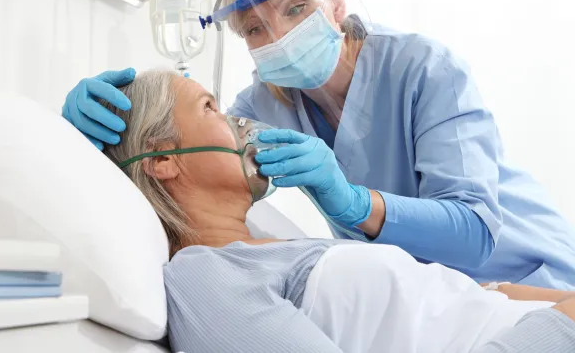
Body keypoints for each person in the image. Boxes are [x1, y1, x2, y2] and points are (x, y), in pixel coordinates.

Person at [62, 0, 575, 290]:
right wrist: (86, 140)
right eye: (254, 29)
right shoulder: (263, 103)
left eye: (294, 8)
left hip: (531, 277)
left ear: (334, 0)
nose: (277, 36)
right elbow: (186, 153)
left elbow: (474, 231)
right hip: (439, 302)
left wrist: (352, 204)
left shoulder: (423, 68)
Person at [99, 68, 575, 353]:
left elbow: (458, 300)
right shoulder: (203, 275)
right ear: (161, 158)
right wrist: (561, 328)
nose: (240, 122)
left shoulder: (278, 246)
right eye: (210, 108)